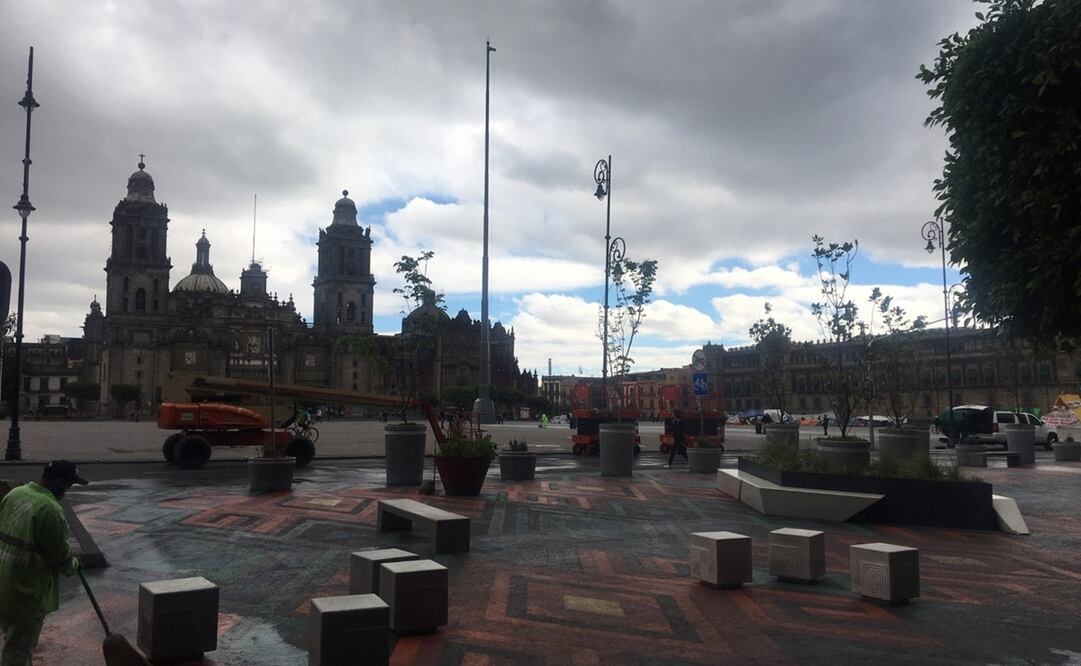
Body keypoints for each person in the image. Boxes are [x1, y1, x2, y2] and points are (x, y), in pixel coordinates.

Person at [0, 460, 86, 664]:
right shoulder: (50, 510)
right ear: (58, 482)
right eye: (68, 485)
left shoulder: (16, 494)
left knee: (12, 636)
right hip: (26, 590)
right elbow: (60, 557)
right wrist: (74, 564)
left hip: (4, 580)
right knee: (19, 650)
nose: (67, 490)